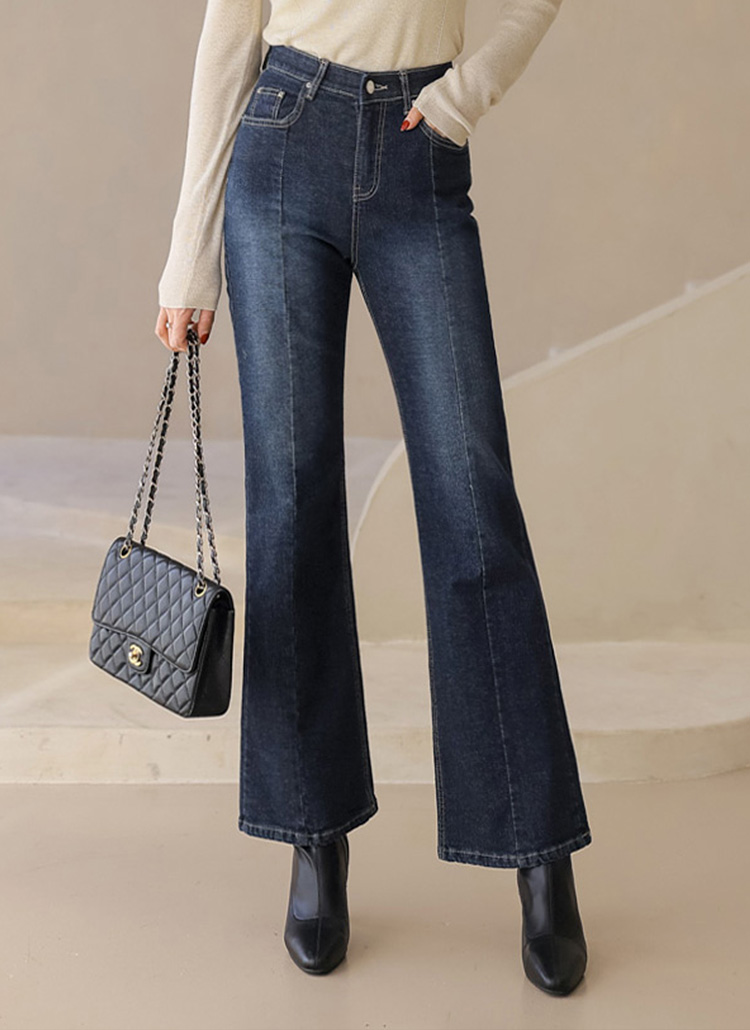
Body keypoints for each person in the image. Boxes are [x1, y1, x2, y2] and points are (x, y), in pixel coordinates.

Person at [155, 0, 592, 996]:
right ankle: (312, 833)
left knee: (473, 501)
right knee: (292, 507)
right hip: (281, 138)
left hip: (416, 150)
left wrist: (466, 95)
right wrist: (190, 253)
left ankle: (539, 850)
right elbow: (232, 29)